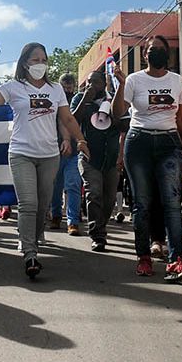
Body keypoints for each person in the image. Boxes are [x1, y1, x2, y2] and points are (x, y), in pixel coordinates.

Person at [0, 43, 90, 279]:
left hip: (49, 156)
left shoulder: (55, 90)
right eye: (35, 59)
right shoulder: (14, 87)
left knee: (42, 205)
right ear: (25, 62)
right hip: (21, 154)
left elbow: (66, 117)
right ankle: (30, 253)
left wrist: (80, 140)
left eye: (43, 59)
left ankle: (32, 239)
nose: (40, 64)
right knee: (28, 203)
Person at [113, 35, 182, 283]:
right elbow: (118, 113)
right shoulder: (134, 80)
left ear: (167, 54)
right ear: (145, 54)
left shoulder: (176, 82)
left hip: (169, 143)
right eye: (152, 50)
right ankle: (143, 258)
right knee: (142, 203)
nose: (156, 53)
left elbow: (181, 117)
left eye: (161, 49)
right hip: (138, 142)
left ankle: (176, 260)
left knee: (172, 203)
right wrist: (119, 85)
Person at [71, 70, 122, 251]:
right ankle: (98, 235)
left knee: (108, 200)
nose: (92, 85)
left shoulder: (114, 100)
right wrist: (85, 100)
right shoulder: (79, 99)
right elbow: (73, 121)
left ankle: (101, 226)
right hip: (89, 157)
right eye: (89, 81)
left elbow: (123, 125)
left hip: (111, 159)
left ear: (105, 84)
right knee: (94, 194)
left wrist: (121, 156)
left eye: (96, 82)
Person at [49, 73, 82, 235]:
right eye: (65, 87)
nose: (68, 89)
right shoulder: (53, 102)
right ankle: (55, 215)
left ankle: (73, 221)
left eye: (70, 87)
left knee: (73, 185)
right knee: (55, 187)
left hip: (75, 151)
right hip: (55, 150)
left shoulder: (79, 101)